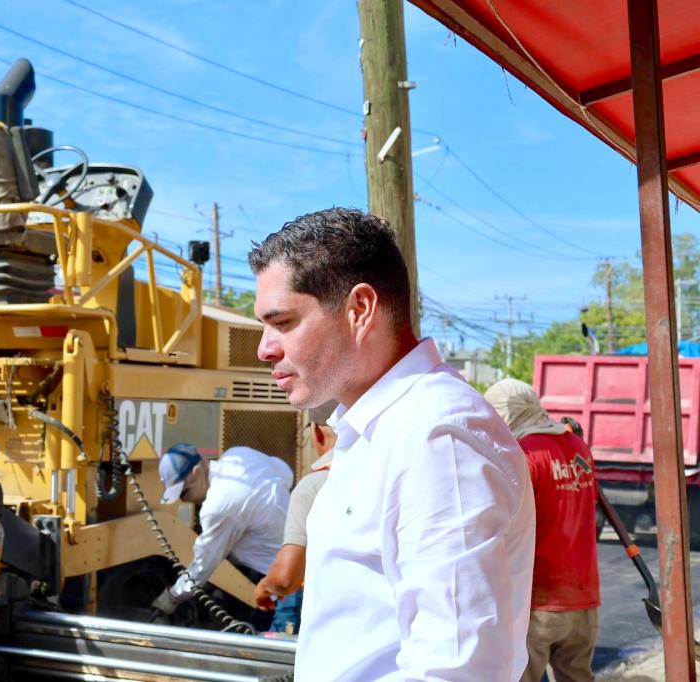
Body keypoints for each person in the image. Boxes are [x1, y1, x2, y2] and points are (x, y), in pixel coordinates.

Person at [248, 207, 536, 681]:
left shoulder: (435, 438)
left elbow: (456, 671)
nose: (265, 348)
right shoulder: (384, 429)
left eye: (283, 322)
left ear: (360, 310)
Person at [485, 379, 600, 682]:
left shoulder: (523, 455)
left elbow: (502, 526)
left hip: (537, 602)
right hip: (583, 598)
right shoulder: (579, 447)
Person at [150, 443, 293, 628]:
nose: (184, 500)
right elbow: (286, 474)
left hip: (287, 585)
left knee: (273, 642)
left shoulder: (218, 505)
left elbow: (204, 564)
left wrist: (173, 596)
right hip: (295, 566)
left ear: (196, 472)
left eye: (184, 493)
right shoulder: (240, 454)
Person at [254, 422, 336, 634]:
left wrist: (265, 586)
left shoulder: (312, 487)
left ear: (318, 434)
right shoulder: (384, 474)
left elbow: (285, 579)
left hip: (326, 619)